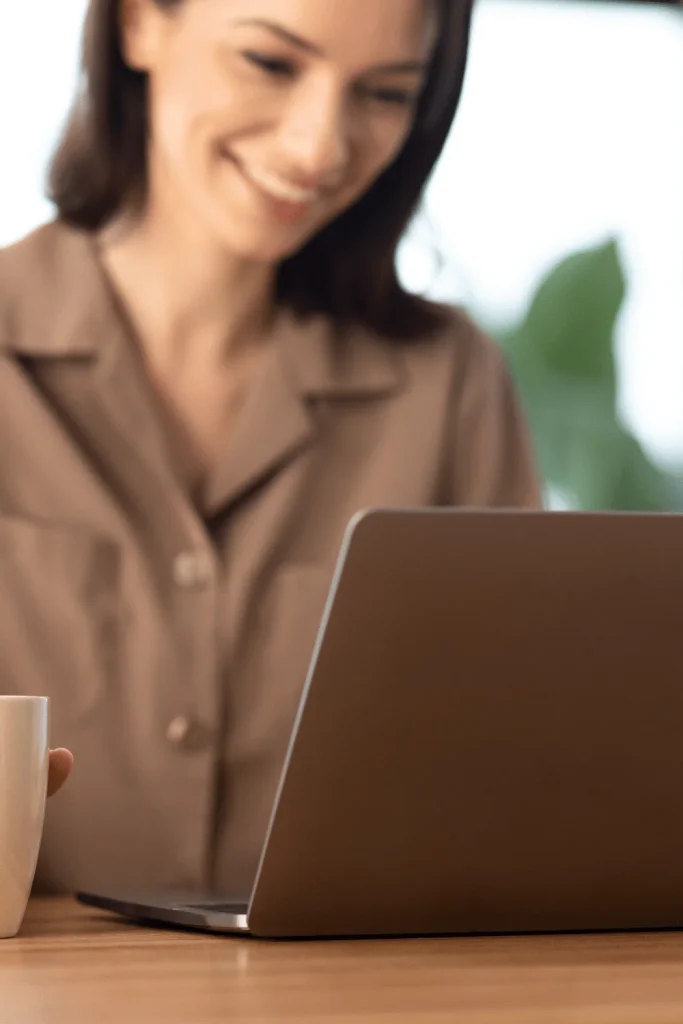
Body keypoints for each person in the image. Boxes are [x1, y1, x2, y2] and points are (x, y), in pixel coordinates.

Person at [0, 0, 542, 896]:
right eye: (269, 62)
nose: (317, 147)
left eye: (384, 92)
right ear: (140, 22)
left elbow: (522, 762)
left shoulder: (453, 389)